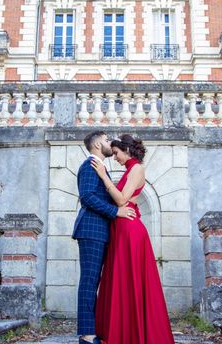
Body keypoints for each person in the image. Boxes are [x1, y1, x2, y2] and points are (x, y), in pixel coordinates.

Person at [91, 134, 175, 344]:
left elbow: (121, 199)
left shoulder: (137, 168)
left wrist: (103, 176)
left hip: (129, 231)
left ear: (127, 149)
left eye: (117, 153)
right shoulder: (130, 169)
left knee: (131, 281)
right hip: (120, 230)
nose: (115, 157)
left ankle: (133, 334)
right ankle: (121, 333)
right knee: (120, 282)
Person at [72, 131, 137, 344]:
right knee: (89, 282)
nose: (111, 143)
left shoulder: (100, 167)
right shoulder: (90, 165)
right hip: (91, 230)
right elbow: (87, 196)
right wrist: (115, 212)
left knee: (95, 281)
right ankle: (87, 335)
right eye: (108, 140)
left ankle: (94, 330)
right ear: (99, 143)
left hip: (100, 231)